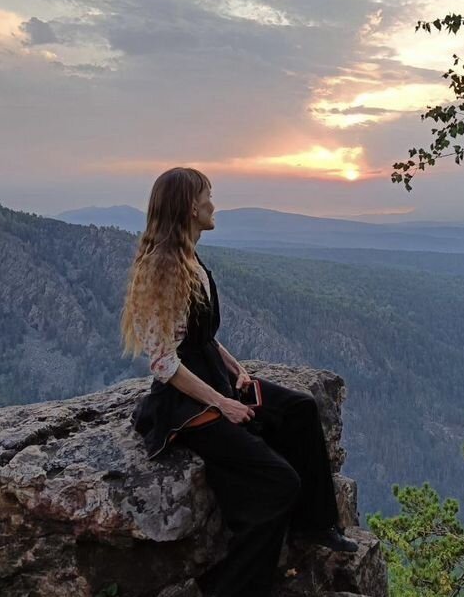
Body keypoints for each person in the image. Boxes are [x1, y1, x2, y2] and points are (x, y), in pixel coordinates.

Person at [121, 166, 357, 597]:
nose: (213, 205)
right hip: (184, 402)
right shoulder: (162, 268)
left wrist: (234, 367)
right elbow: (163, 363)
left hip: (213, 376)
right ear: (190, 208)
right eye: (207, 198)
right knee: (278, 482)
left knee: (300, 408)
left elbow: (201, 336)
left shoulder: (190, 259)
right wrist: (222, 403)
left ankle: (314, 524)